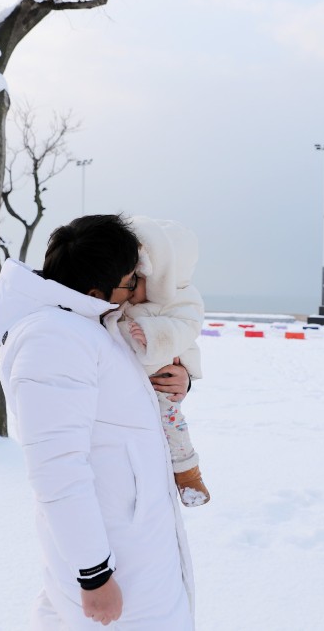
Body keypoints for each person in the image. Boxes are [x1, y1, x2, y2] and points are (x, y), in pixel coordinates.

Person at [0, 214, 195, 630]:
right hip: (115, 554)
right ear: (96, 290)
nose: (138, 289)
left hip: (135, 541)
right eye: (131, 280)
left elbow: (124, 401)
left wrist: (180, 381)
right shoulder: (52, 338)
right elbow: (56, 468)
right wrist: (94, 574)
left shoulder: (86, 322)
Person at [118, 216, 210, 507]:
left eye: (138, 279)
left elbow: (186, 328)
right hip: (129, 398)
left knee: (172, 425)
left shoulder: (181, 299)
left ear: (162, 278)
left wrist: (153, 335)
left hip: (162, 382)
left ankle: (187, 474)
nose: (130, 286)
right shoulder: (126, 301)